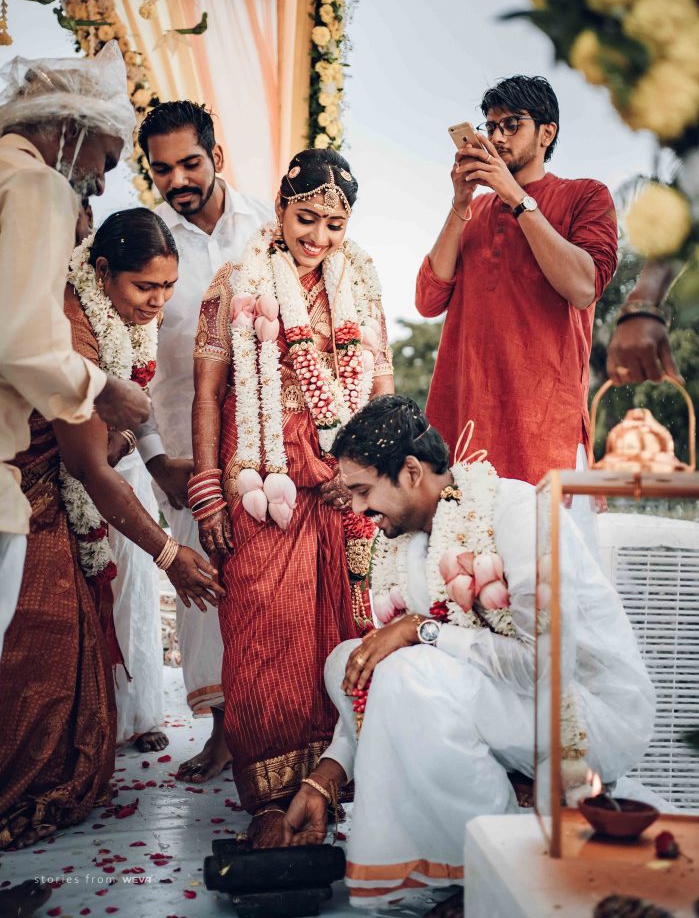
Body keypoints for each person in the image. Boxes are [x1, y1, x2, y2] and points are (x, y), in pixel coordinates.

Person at [278, 396, 655, 917]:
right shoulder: (408, 545)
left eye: (364, 491)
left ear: (411, 472)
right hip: (514, 710)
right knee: (351, 660)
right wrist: (327, 777)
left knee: (411, 671)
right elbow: (377, 683)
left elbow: (545, 664)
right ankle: (489, 816)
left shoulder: (518, 512)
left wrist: (424, 631)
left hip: (588, 715)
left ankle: (497, 860)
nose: (359, 510)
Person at [0, 210, 224, 849]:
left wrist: (155, 459)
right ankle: (26, 783)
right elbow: (87, 465)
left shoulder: (118, 314)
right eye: (145, 289)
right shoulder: (77, 326)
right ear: (101, 272)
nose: (159, 303)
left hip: (66, 476)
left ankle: (70, 765)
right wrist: (169, 552)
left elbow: (132, 397)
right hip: (31, 490)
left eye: (167, 287)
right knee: (41, 641)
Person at [191, 148, 394, 844]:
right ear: (279, 207)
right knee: (260, 633)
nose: (319, 237)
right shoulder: (233, 281)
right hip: (261, 482)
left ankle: (324, 785)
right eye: (306, 218)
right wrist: (209, 495)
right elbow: (206, 394)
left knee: (337, 631)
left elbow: (380, 390)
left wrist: (371, 473)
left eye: (334, 225)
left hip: (340, 484)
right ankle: (268, 802)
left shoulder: (359, 282)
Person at [136, 101, 272, 781]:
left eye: (190, 162)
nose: (178, 180)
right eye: (162, 170)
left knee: (273, 584)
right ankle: (222, 732)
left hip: (268, 446)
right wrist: (155, 457)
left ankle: (279, 724)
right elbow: (125, 359)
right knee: (204, 593)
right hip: (185, 452)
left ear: (216, 155)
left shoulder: (269, 226)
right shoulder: (147, 240)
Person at [0, 42, 150, 660]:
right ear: (69, 125)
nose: (102, 180)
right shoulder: (37, 184)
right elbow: (19, 339)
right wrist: (105, 390)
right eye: (107, 157)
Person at [416, 75, 618, 486]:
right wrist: (460, 203)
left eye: (512, 125)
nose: (497, 137)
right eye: (491, 127)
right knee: (461, 551)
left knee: (547, 550)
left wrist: (518, 199)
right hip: (463, 428)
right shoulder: (474, 211)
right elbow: (427, 301)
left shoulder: (586, 196)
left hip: (544, 431)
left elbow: (583, 287)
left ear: (547, 132)